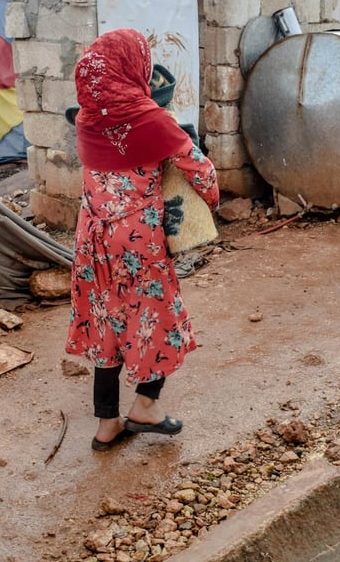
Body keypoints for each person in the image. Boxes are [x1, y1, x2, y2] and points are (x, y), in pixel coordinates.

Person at [64, 28, 220, 451]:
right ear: (134, 68)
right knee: (155, 319)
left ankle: (106, 424)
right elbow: (201, 172)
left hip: (91, 239)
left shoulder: (85, 117)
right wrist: (209, 201)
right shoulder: (152, 119)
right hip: (137, 241)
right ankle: (146, 406)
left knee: (106, 323)